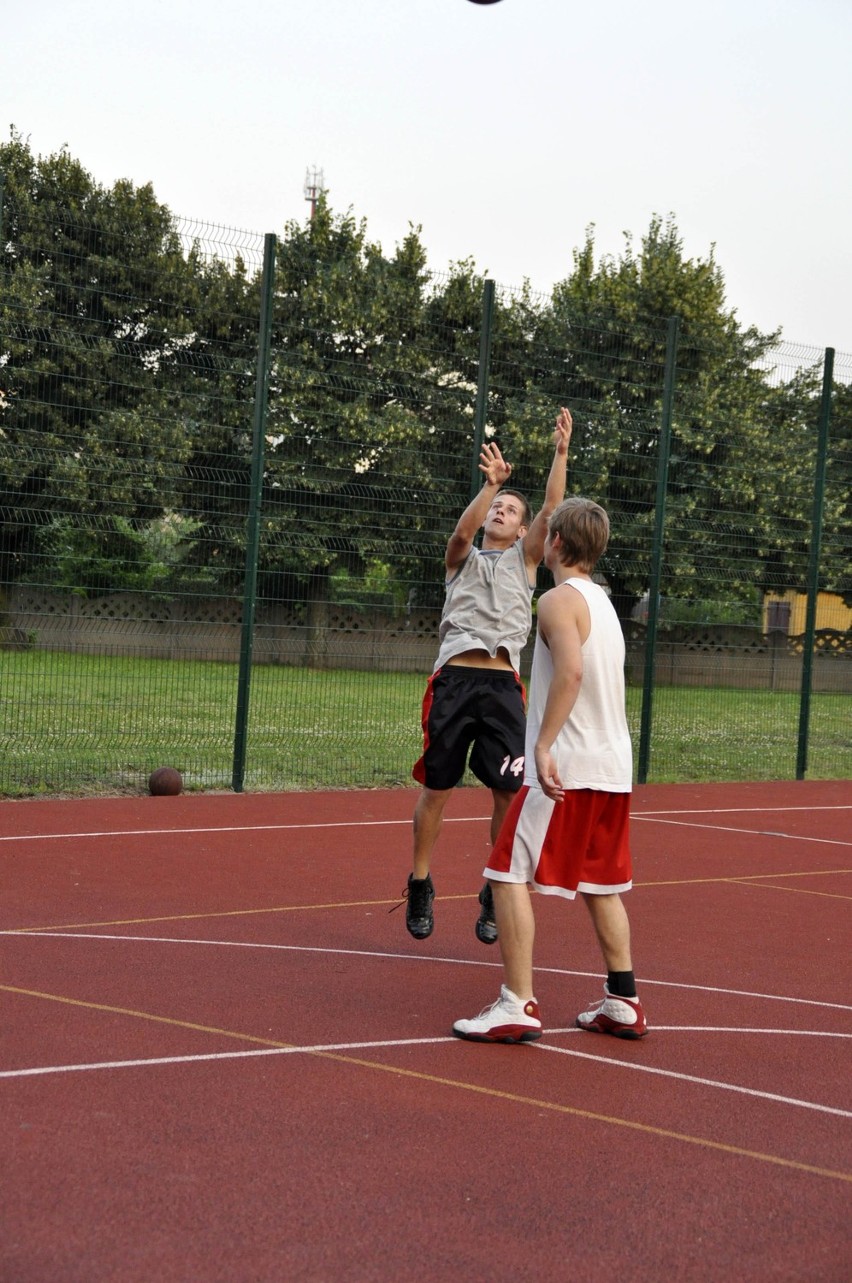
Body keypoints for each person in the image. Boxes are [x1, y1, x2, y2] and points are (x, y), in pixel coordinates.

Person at [452, 495, 648, 1043]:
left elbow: (572, 672)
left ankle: (517, 1003)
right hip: (612, 767)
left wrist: (541, 745)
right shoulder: (604, 604)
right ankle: (623, 999)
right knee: (601, 884)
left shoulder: (558, 602)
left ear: (555, 542)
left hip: (568, 767)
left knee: (506, 873)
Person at [404, 408, 573, 944]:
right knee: (439, 787)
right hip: (455, 683)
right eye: (495, 506)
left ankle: (494, 886)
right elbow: (461, 530)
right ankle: (421, 882)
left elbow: (551, 506)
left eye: (508, 508)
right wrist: (490, 486)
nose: (499, 510)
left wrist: (561, 454)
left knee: (508, 791)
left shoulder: (525, 562)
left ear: (525, 530)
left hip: (501, 687)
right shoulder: (463, 559)